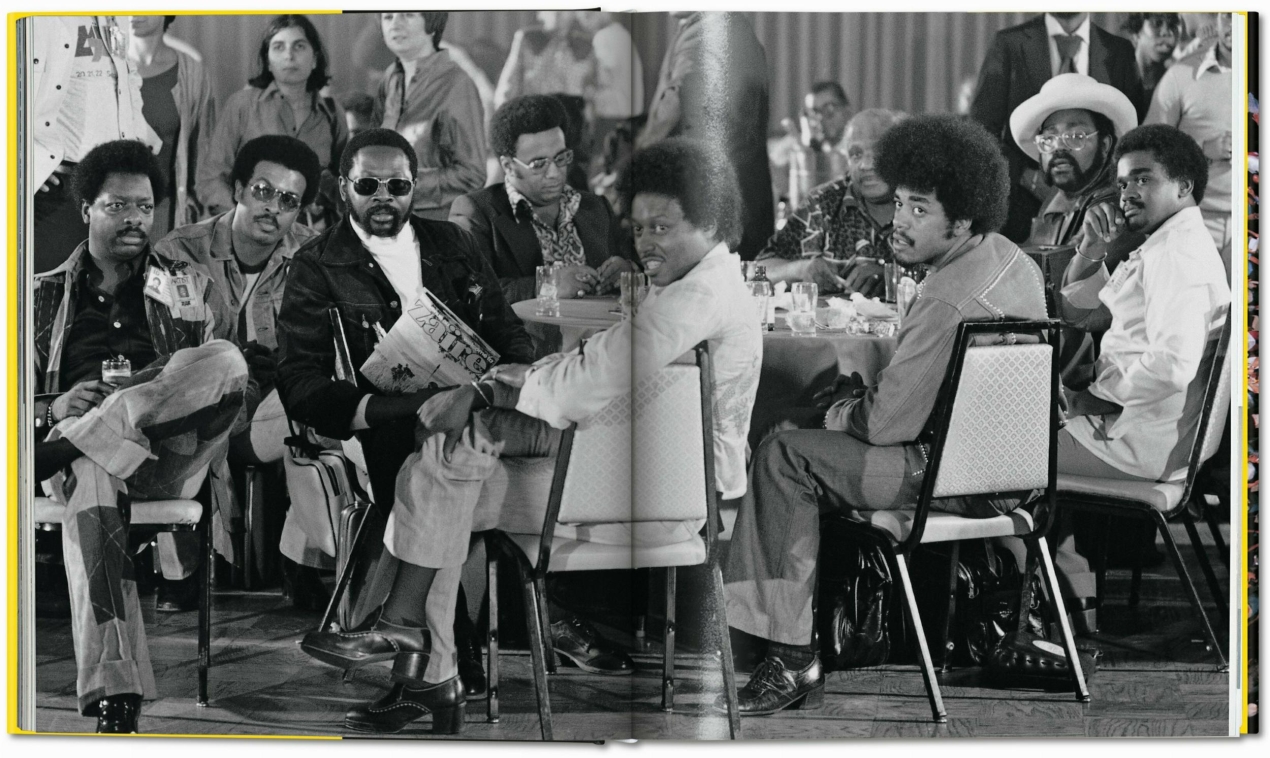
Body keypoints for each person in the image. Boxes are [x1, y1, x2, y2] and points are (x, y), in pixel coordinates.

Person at [300, 137, 762, 734]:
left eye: (663, 228)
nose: (646, 242)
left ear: (711, 222)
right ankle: (410, 642)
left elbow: (586, 384)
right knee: (440, 473)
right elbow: (596, 365)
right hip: (630, 473)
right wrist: (522, 378)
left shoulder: (694, 298)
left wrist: (489, 390)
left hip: (651, 496)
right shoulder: (693, 284)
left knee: (438, 468)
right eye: (640, 228)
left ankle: (417, 655)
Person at [721, 115, 1048, 716]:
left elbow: (884, 426)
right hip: (1013, 471)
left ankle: (790, 657)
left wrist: (840, 409)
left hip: (950, 476)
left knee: (781, 456)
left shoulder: (945, 296)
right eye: (899, 203)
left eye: (920, 209)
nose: (900, 220)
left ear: (963, 218)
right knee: (798, 425)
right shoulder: (1010, 259)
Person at [274, 128, 536, 722]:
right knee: (425, 455)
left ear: (416, 186)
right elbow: (299, 383)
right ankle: (437, 654)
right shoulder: (317, 264)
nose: (383, 197)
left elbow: (511, 338)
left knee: (440, 454)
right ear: (343, 188)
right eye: (368, 185)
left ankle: (416, 655)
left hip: (471, 412)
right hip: (378, 424)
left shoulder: (455, 245)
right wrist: (383, 409)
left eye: (397, 185)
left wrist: (481, 386)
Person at [32, 139, 254, 733]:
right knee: (96, 471)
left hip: (169, 453)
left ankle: (85, 437)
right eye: (118, 206)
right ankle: (117, 693)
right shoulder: (39, 296)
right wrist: (51, 407)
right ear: (86, 209)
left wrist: (92, 422)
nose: (135, 219)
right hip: (82, 464)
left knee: (225, 359)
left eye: (145, 207)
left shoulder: (192, 287)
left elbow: (231, 387)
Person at [1009, 124, 1230, 613]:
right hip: (1141, 432)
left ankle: (1032, 603)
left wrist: (1093, 399)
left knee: (982, 451)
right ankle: (1064, 593)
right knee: (1006, 433)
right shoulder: (1167, 243)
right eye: (1124, 181)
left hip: (1133, 442)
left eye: (1143, 179)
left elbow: (1172, 365)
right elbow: (1081, 311)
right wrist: (1092, 246)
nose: (1128, 192)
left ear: (1184, 186)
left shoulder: (1178, 256)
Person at [154, 134, 328, 608]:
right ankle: (180, 568)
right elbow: (162, 349)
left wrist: (284, 362)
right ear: (237, 189)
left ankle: (300, 559)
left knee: (319, 408)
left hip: (268, 410)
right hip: (200, 404)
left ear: (299, 211)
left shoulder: (314, 256)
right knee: (183, 403)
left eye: (288, 200)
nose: (273, 208)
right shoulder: (179, 251)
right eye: (263, 191)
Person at [970, 12, 1144, 244]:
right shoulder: (1009, 43)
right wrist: (1029, 177)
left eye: (1075, 135)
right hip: (1022, 204)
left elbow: (1132, 137)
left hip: (1099, 198)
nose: (1061, 144)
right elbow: (981, 131)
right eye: (1052, 137)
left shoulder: (1119, 49)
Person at [450, 95, 634, 306]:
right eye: (539, 164)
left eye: (561, 158)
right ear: (508, 166)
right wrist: (546, 285)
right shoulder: (476, 213)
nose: (554, 173)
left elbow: (639, 266)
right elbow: (467, 290)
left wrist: (627, 271)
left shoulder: (596, 207)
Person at [638, 12, 774, 260]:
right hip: (737, 207)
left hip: (712, 214)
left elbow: (674, 107)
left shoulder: (706, 32)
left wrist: (636, 161)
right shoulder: (724, 26)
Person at [32, 15, 160, 273]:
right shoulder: (34, 15)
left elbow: (128, 78)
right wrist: (22, 157)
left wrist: (138, 139)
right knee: (51, 288)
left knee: (111, 288)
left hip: (117, 185)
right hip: (61, 187)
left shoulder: (115, 14)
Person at [196, 15, 347, 225]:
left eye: (299, 46)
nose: (289, 56)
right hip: (250, 229)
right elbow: (211, 178)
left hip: (313, 234)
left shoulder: (331, 112)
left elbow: (345, 182)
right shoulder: (242, 105)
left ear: (314, 59)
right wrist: (243, 218)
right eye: (278, 47)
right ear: (267, 61)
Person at [756, 109, 905, 295]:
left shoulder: (925, 205)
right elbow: (758, 271)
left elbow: (940, 279)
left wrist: (892, 276)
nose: (866, 165)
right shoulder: (822, 204)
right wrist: (801, 269)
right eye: (856, 154)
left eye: (879, 153)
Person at [375, 11, 487, 221]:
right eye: (388, 17)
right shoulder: (391, 78)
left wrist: (401, 185)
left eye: (408, 15)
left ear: (432, 22)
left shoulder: (456, 83)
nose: (395, 24)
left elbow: (472, 175)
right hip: (392, 222)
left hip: (438, 224)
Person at [1146, 13, 1234, 276]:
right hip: (1193, 219)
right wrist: (1202, 151)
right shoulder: (1180, 76)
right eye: (1227, 15)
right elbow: (1147, 151)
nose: (1233, 23)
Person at [127, 15, 217, 240]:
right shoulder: (105, 66)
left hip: (166, 209)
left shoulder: (191, 72)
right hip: (112, 206)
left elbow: (204, 146)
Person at [493, 11, 595, 110]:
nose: (558, 13)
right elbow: (507, 89)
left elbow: (592, 95)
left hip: (569, 116)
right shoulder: (528, 40)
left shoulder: (586, 46)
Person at [770, 81, 855, 197]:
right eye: (814, 112)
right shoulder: (799, 141)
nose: (820, 117)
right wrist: (806, 148)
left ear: (847, 111)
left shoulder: (856, 147)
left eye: (829, 109)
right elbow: (771, 171)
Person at [1120, 13, 1182, 114]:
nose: (1167, 32)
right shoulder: (1115, 78)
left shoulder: (1179, 83)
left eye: (1173, 25)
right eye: (1157, 23)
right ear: (1136, 34)